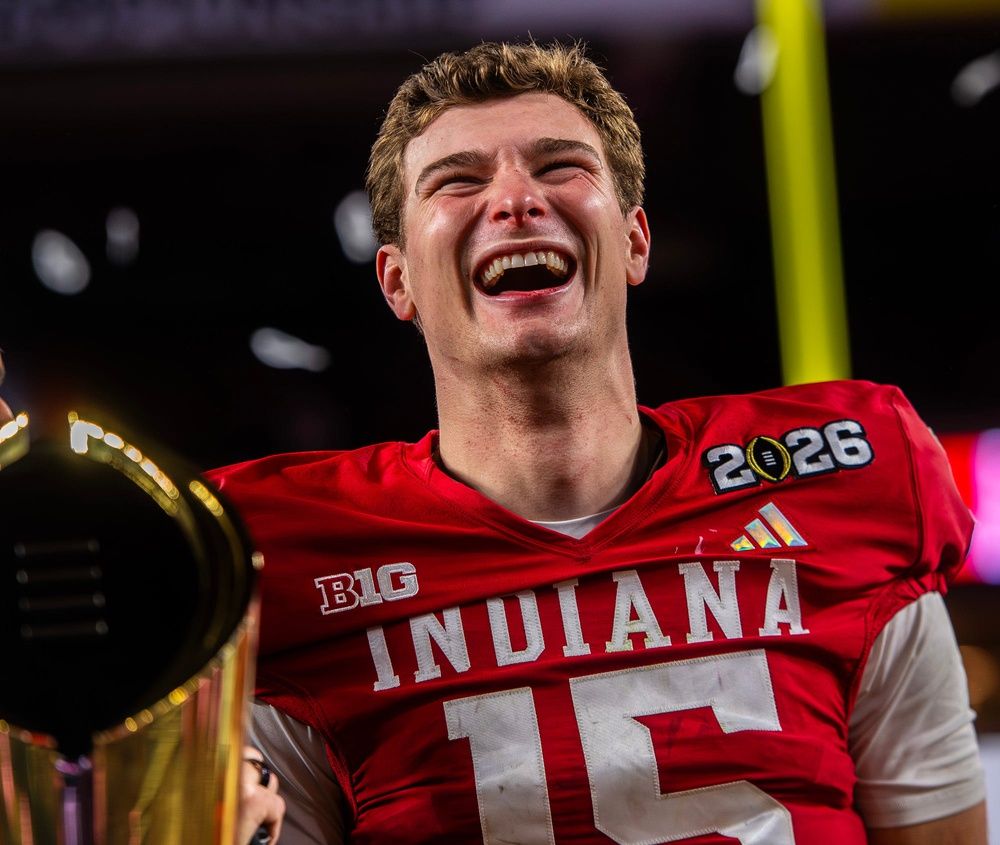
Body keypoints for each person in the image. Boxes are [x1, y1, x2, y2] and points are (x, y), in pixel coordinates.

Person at [2, 40, 987, 845]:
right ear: (396, 280)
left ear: (635, 240)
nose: (515, 198)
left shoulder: (844, 474)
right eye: (458, 179)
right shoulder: (278, 560)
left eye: (559, 164)